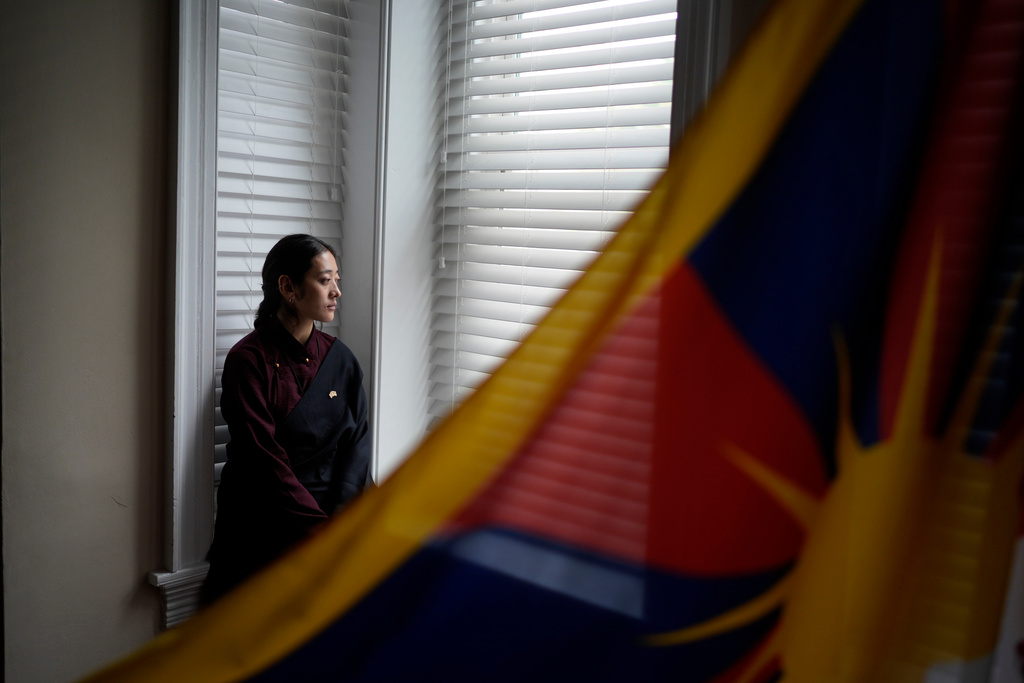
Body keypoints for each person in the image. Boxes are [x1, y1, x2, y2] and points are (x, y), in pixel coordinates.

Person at [202, 234, 372, 604]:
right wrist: (318, 532)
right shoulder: (248, 360)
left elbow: (358, 445)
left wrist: (340, 525)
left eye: (336, 280)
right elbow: (263, 457)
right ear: (288, 287)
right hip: (266, 522)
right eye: (325, 280)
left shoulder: (340, 358)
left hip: (335, 519)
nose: (336, 292)